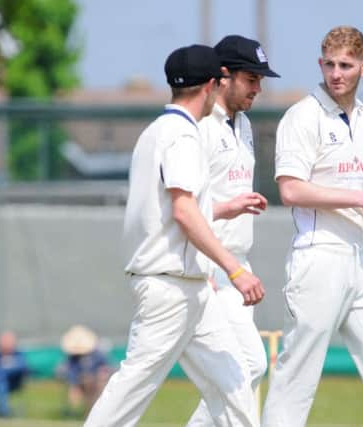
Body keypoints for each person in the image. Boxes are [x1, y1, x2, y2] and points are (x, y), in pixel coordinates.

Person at [84, 44, 265, 427]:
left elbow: (173, 210)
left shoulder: (156, 131)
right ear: (212, 85)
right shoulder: (183, 136)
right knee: (133, 388)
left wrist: (223, 210)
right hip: (168, 289)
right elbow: (184, 212)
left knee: (237, 384)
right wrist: (235, 269)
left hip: (193, 288)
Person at [261, 26, 363, 427]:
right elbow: (292, 191)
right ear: (321, 64)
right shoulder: (302, 117)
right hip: (318, 258)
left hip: (362, 259)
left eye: (346, 66)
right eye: (330, 64)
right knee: (297, 377)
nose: (336, 73)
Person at [186, 34, 279, 426]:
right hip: (207, 267)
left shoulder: (244, 126)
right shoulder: (201, 127)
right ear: (223, 76)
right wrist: (228, 209)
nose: (258, 87)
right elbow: (183, 208)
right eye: (251, 78)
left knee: (252, 367)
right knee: (237, 375)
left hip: (236, 264)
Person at [56, 325, 112, 417]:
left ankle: (91, 411)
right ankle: (78, 412)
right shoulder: (73, 358)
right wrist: (73, 382)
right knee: (75, 390)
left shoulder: (97, 355)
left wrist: (100, 376)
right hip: (78, 381)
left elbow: (105, 367)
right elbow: (69, 371)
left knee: (93, 386)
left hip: (95, 381)